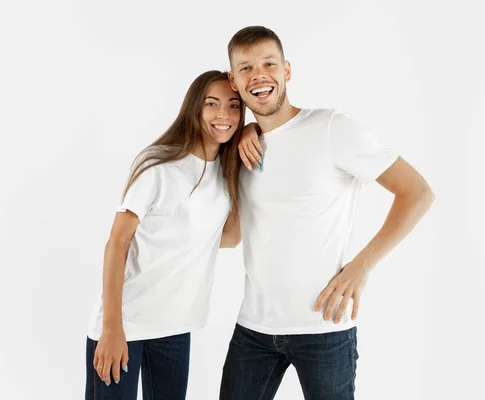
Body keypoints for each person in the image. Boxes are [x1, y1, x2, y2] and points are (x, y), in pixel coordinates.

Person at [220, 26, 435, 399]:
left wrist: (361, 266)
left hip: (324, 327)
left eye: (269, 63)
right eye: (246, 68)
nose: (259, 74)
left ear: (287, 70)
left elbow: (417, 192)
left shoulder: (332, 128)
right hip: (253, 328)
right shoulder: (243, 148)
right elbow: (234, 234)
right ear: (233, 82)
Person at [85, 70, 245, 399]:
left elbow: (228, 238)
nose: (223, 115)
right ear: (194, 109)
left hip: (175, 328)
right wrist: (112, 326)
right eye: (212, 104)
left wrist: (249, 153)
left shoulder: (226, 173)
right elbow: (117, 243)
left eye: (233, 106)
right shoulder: (158, 164)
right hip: (126, 323)